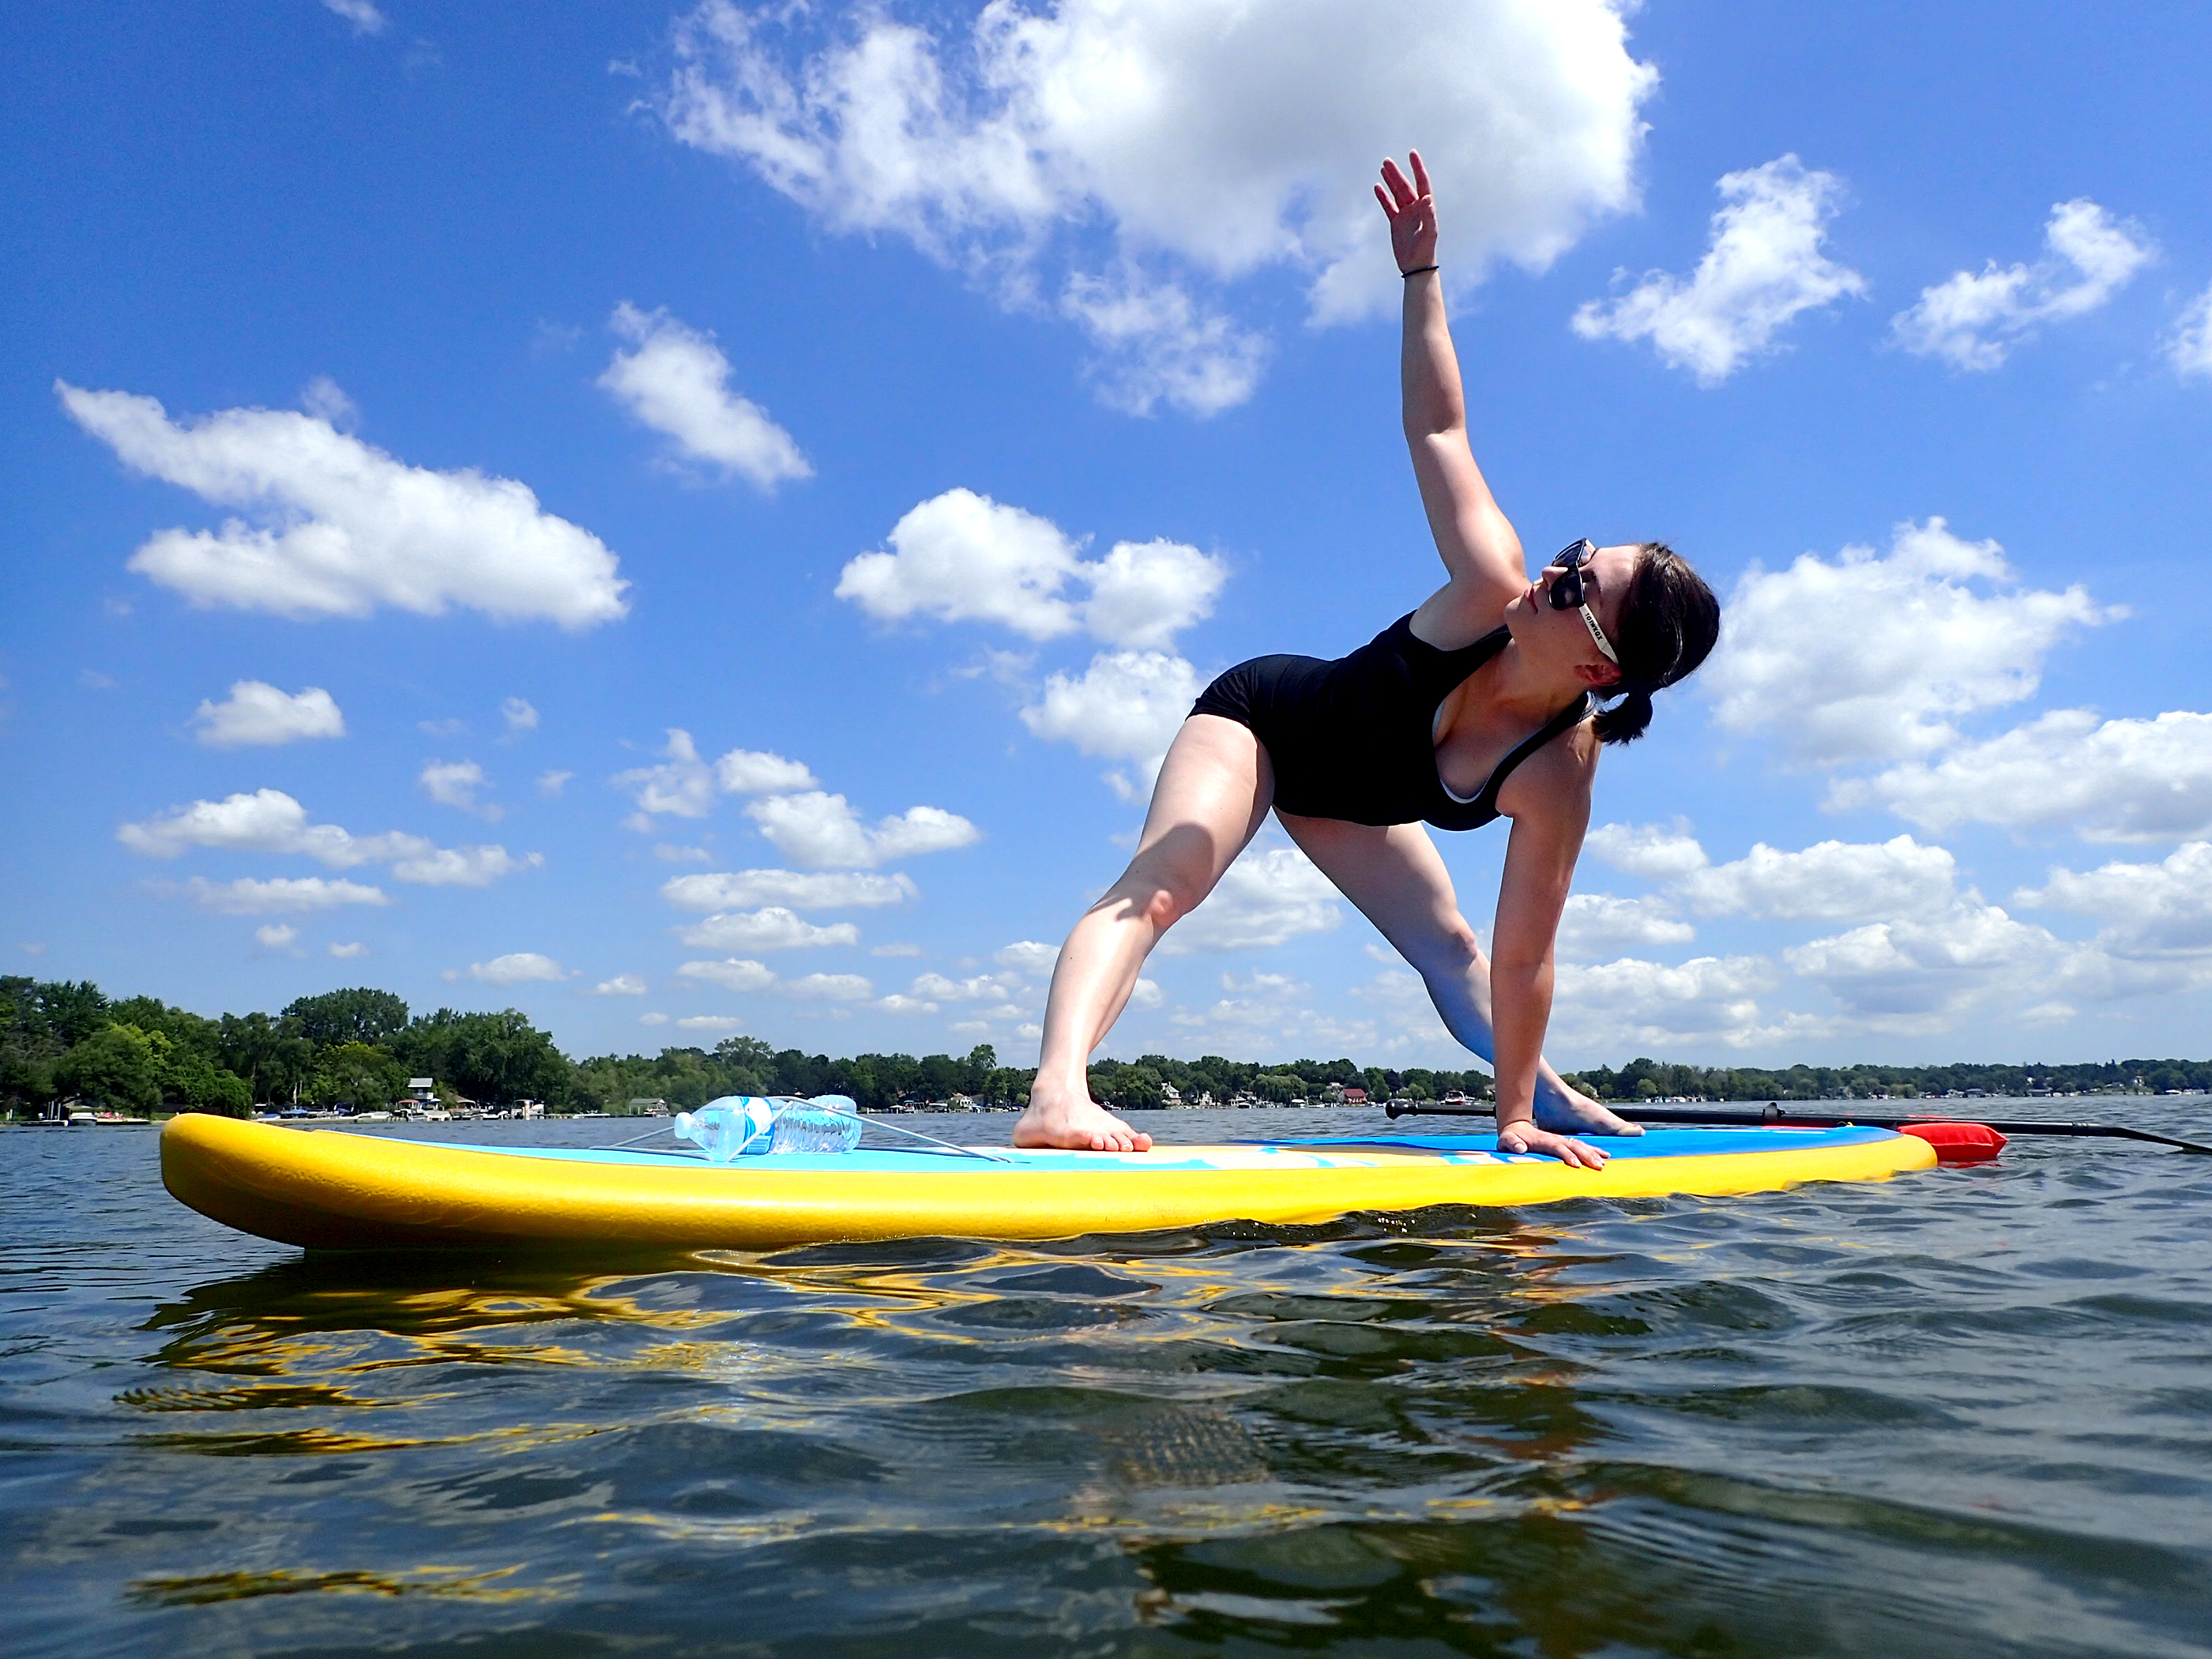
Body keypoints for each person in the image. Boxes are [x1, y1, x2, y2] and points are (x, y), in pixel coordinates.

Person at [1012, 151, 1721, 1167]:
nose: (1552, 575)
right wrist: (1420, 275)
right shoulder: (1490, 583)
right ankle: (1057, 1093)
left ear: (1600, 671)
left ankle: (1547, 1093)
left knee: (1457, 954)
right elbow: (1438, 427)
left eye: (1577, 589)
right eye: (1572, 556)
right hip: (1265, 720)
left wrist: (1512, 1117)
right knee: (1163, 882)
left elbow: (1525, 955)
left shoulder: (1560, 771)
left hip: (1349, 798)